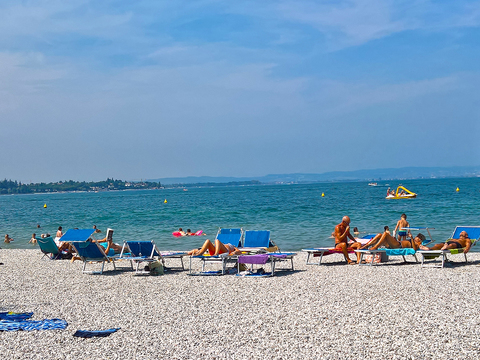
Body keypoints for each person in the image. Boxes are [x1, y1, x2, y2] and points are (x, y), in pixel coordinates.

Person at [360, 231, 425, 251]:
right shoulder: (413, 240)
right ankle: (366, 245)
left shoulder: (418, 243)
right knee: (379, 235)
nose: (415, 237)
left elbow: (415, 249)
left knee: (385, 233)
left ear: (420, 239)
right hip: (395, 244)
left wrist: (411, 238)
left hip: (398, 246)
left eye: (417, 237)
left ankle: (376, 246)